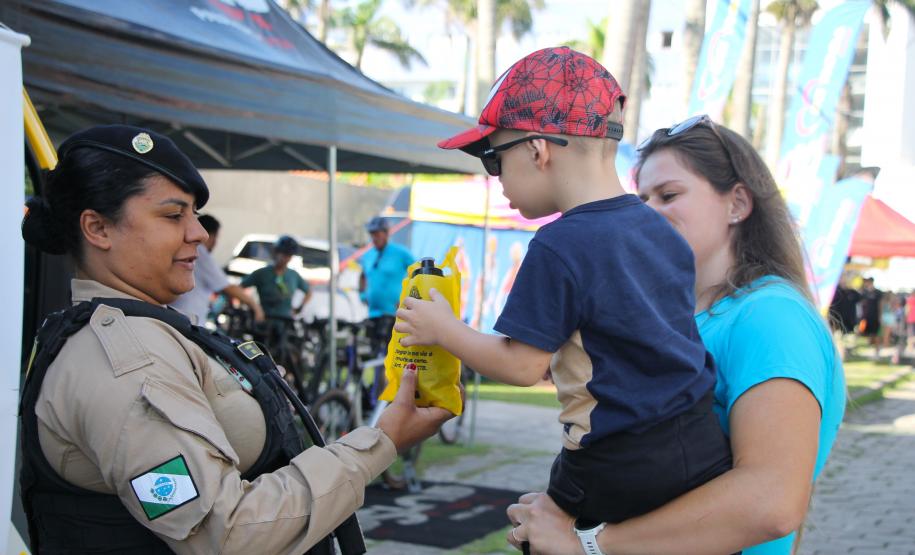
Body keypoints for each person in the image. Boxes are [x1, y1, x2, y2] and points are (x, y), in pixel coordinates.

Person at [18, 124, 454, 554]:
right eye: (173, 215)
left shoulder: (146, 329)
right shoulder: (127, 362)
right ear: (97, 228)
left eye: (193, 214)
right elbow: (227, 534)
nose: (199, 233)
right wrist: (380, 443)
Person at [396, 46, 732, 548]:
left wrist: (442, 329)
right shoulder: (660, 230)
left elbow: (522, 366)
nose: (497, 179)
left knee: (534, 532)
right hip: (699, 443)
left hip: (612, 457)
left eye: (494, 158)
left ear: (537, 150)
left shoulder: (560, 244)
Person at [506, 115, 846, 555]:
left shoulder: (770, 316)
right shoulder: (683, 316)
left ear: (737, 203)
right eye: (641, 197)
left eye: (669, 195)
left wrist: (589, 543)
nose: (648, 210)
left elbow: (771, 501)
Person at [171, 214, 265, 325]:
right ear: (209, 235)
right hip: (187, 319)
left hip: (181, 316)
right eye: (216, 237)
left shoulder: (187, 248)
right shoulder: (200, 253)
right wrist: (255, 306)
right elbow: (227, 287)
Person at [359, 216, 414, 354]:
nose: (374, 238)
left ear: (386, 233)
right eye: (372, 234)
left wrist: (406, 299)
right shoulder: (368, 255)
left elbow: (417, 273)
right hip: (373, 313)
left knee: (393, 353)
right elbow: (363, 275)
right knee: (373, 354)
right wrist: (362, 295)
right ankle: (378, 376)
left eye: (377, 234)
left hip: (394, 314)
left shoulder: (401, 253)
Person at [241, 234, 311, 321]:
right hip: (264, 319)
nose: (285, 259)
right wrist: (254, 306)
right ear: (276, 252)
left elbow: (308, 291)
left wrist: (299, 309)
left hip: (285, 321)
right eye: (284, 254)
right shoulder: (262, 273)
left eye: (289, 255)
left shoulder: (293, 275)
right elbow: (239, 288)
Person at [859, 277, 883, 345]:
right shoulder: (865, 292)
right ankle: (870, 342)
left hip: (875, 315)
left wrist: (880, 315)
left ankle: (875, 344)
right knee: (866, 331)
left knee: (875, 332)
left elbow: (880, 304)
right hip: (866, 315)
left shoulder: (878, 293)